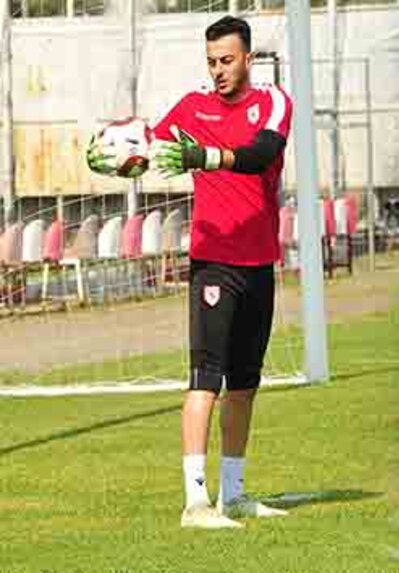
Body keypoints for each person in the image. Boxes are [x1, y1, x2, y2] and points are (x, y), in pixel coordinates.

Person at [87, 15, 293, 529]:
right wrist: (118, 154)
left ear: (248, 57)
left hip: (259, 262)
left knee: (246, 383)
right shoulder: (193, 106)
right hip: (213, 263)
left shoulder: (273, 102)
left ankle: (236, 493)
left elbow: (260, 154)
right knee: (207, 378)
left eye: (226, 61)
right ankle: (195, 501)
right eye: (211, 63)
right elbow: (151, 145)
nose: (218, 71)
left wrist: (205, 155)